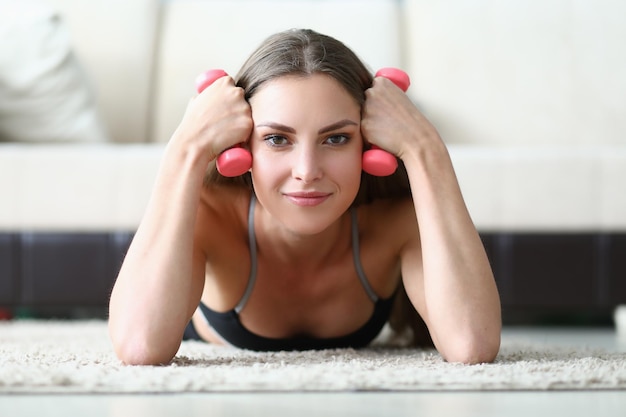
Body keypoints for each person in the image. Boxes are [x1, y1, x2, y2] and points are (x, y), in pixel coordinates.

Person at [108, 28, 501, 365]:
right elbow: (140, 346)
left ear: (368, 147)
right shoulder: (207, 214)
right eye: (278, 139)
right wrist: (186, 150)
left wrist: (424, 147)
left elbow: (471, 345)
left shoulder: (396, 219)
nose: (307, 169)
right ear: (241, 147)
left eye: (336, 138)